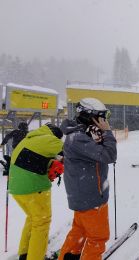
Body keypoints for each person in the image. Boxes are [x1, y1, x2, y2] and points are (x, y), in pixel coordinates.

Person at [59, 97, 117, 260]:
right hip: (91, 199)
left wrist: (101, 134)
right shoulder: (78, 137)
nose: (104, 121)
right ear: (89, 116)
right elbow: (109, 155)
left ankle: (68, 257)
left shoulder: (81, 132)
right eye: (102, 117)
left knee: (80, 232)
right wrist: (107, 132)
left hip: (84, 196)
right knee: (97, 238)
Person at [8, 123, 64, 260]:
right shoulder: (49, 139)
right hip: (33, 188)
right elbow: (70, 151)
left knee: (33, 219)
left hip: (16, 187)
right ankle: (35, 257)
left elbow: (36, 157)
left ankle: (25, 254)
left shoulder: (31, 138)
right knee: (42, 223)